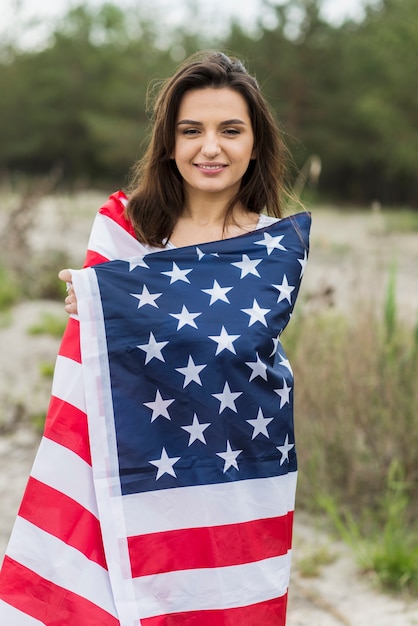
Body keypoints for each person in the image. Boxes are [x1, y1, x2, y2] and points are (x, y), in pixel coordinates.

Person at [0, 51, 310, 626]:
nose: (209, 147)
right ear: (168, 142)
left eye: (230, 131)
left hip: (238, 456)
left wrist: (120, 310)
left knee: (219, 604)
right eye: (191, 131)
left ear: (256, 144)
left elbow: (242, 347)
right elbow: (99, 355)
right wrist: (96, 309)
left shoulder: (275, 245)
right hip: (132, 457)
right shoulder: (126, 224)